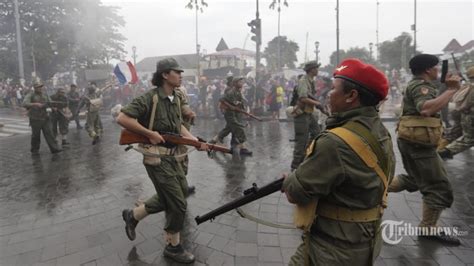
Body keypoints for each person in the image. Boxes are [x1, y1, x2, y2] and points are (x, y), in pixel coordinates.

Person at [282, 58, 395, 265]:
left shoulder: (334, 142)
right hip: (365, 241)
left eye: (334, 89)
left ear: (352, 96)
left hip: (331, 248)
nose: (328, 95)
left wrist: (291, 179)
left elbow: (295, 193)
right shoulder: (381, 132)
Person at [117, 58, 207, 264]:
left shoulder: (175, 98)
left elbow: (178, 129)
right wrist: (149, 133)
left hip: (174, 157)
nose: (181, 75)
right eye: (177, 72)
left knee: (179, 193)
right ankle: (173, 246)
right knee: (178, 204)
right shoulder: (150, 98)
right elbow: (122, 118)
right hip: (156, 158)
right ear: (165, 75)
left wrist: (196, 142)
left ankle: (134, 215)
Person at [389, 54, 461, 245]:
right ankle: (428, 228)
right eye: (436, 67)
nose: (438, 70)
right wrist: (452, 90)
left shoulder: (419, 84)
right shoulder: (422, 86)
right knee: (438, 187)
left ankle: (372, 188)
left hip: (413, 142)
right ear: (428, 70)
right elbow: (426, 109)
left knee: (415, 180)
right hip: (418, 145)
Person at [290, 60, 323, 170]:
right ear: (311, 69)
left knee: (317, 134)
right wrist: (317, 104)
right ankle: (295, 167)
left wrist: (318, 104)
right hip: (301, 114)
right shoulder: (304, 81)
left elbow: (309, 96)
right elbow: (303, 98)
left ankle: (305, 157)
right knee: (301, 141)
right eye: (316, 68)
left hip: (308, 113)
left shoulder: (310, 81)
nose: (318, 70)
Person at [438, 66, 474, 159]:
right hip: (469, 116)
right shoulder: (471, 87)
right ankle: (443, 153)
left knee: (455, 133)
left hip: (462, 114)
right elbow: (469, 103)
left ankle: (439, 150)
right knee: (468, 140)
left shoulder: (467, 86)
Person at [215, 77, 252, 156]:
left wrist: (244, 110)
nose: (242, 83)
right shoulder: (231, 92)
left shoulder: (238, 92)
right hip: (230, 114)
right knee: (239, 129)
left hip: (237, 114)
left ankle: (216, 140)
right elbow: (221, 99)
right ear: (235, 83)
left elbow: (240, 102)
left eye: (242, 82)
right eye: (240, 82)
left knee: (229, 129)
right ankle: (242, 148)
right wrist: (230, 106)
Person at [22, 82, 62, 155]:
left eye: (41, 87)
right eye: (38, 87)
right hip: (35, 118)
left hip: (45, 117)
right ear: (35, 88)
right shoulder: (30, 95)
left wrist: (53, 108)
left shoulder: (45, 95)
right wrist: (35, 104)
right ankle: (35, 150)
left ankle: (54, 148)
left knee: (49, 133)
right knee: (36, 135)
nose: (40, 88)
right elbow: (24, 103)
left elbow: (50, 103)